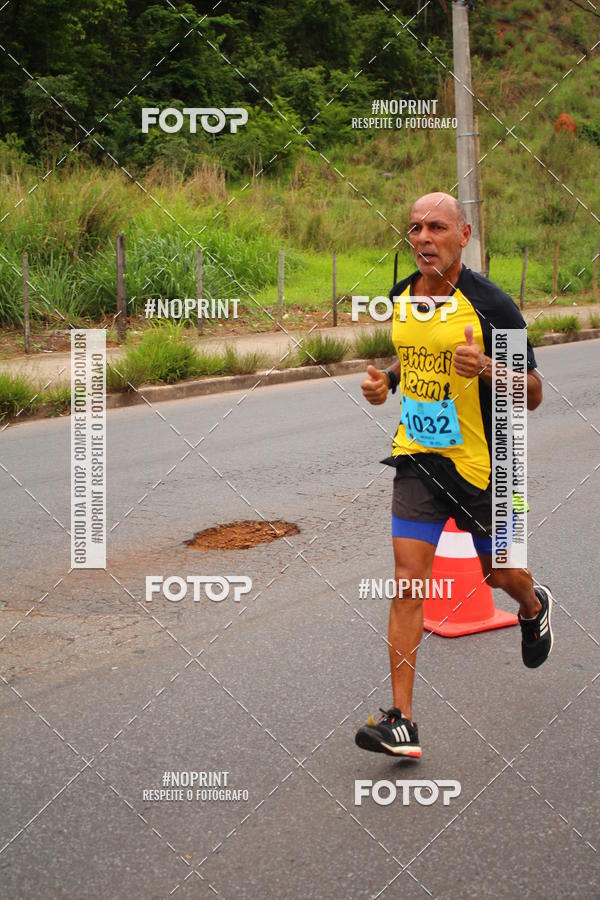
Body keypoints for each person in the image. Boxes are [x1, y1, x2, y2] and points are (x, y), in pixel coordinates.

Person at [355, 192, 553, 759]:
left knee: (500, 576)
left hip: (487, 465)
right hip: (418, 457)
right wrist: (388, 381)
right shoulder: (402, 297)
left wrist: (488, 366)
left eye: (437, 227)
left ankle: (533, 606)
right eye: (415, 228)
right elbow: (416, 355)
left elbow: (533, 393)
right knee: (407, 582)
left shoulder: (493, 306)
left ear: (463, 235)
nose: (423, 237)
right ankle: (401, 721)